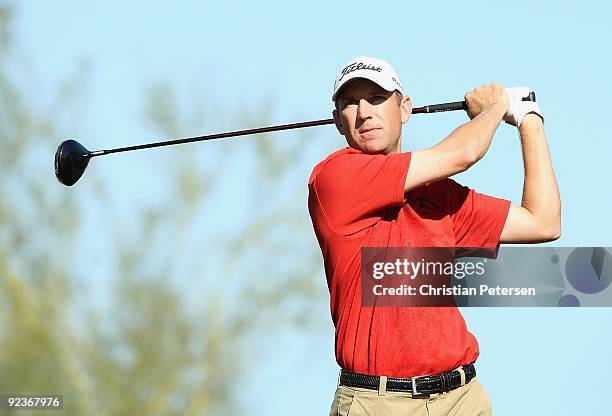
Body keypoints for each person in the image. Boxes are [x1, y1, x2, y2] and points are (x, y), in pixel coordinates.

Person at [307, 56, 561, 416]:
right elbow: (465, 152)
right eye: (350, 102)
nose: (363, 112)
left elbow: (543, 222)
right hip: (376, 402)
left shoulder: (438, 195)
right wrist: (494, 108)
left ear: (405, 109)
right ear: (337, 121)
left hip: (461, 399)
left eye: (377, 98)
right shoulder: (335, 178)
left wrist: (528, 119)